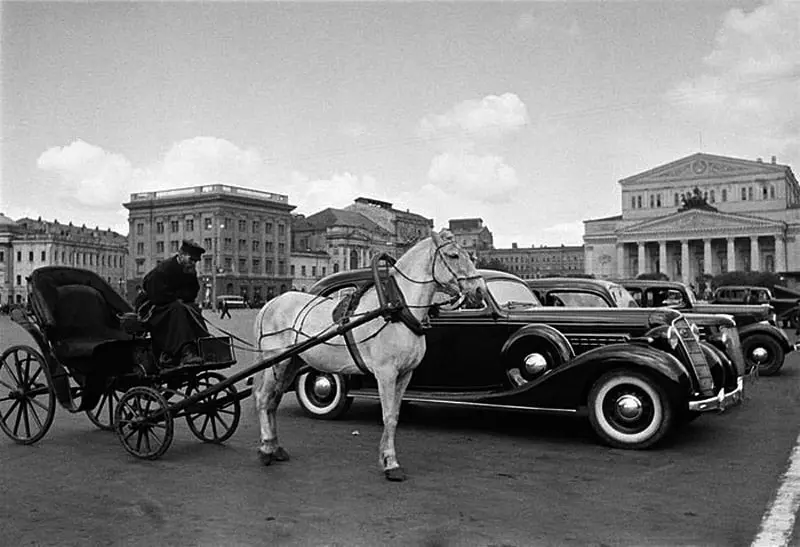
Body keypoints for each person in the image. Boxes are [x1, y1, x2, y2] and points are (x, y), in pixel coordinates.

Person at [142, 239, 209, 368]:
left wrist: (182, 299)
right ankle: (185, 351)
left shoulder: (190, 271)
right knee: (178, 309)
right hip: (155, 310)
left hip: (173, 306)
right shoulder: (163, 269)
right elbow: (155, 294)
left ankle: (204, 345)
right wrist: (176, 298)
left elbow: (193, 292)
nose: (193, 264)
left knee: (193, 308)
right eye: (191, 260)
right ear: (181, 255)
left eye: (195, 261)